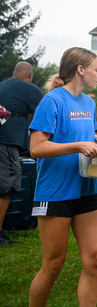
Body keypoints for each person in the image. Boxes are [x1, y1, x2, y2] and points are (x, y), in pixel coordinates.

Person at [27, 47, 97, 307]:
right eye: (96, 68)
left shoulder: (90, 102)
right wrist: (77, 145)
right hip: (55, 192)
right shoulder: (53, 100)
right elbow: (36, 147)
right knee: (54, 264)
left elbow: (87, 142)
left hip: (86, 190)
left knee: (95, 259)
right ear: (80, 70)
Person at [0, 61, 43, 246]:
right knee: (5, 188)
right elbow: (47, 112)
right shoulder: (29, 89)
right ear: (29, 76)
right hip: (6, 142)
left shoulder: (3, 85)